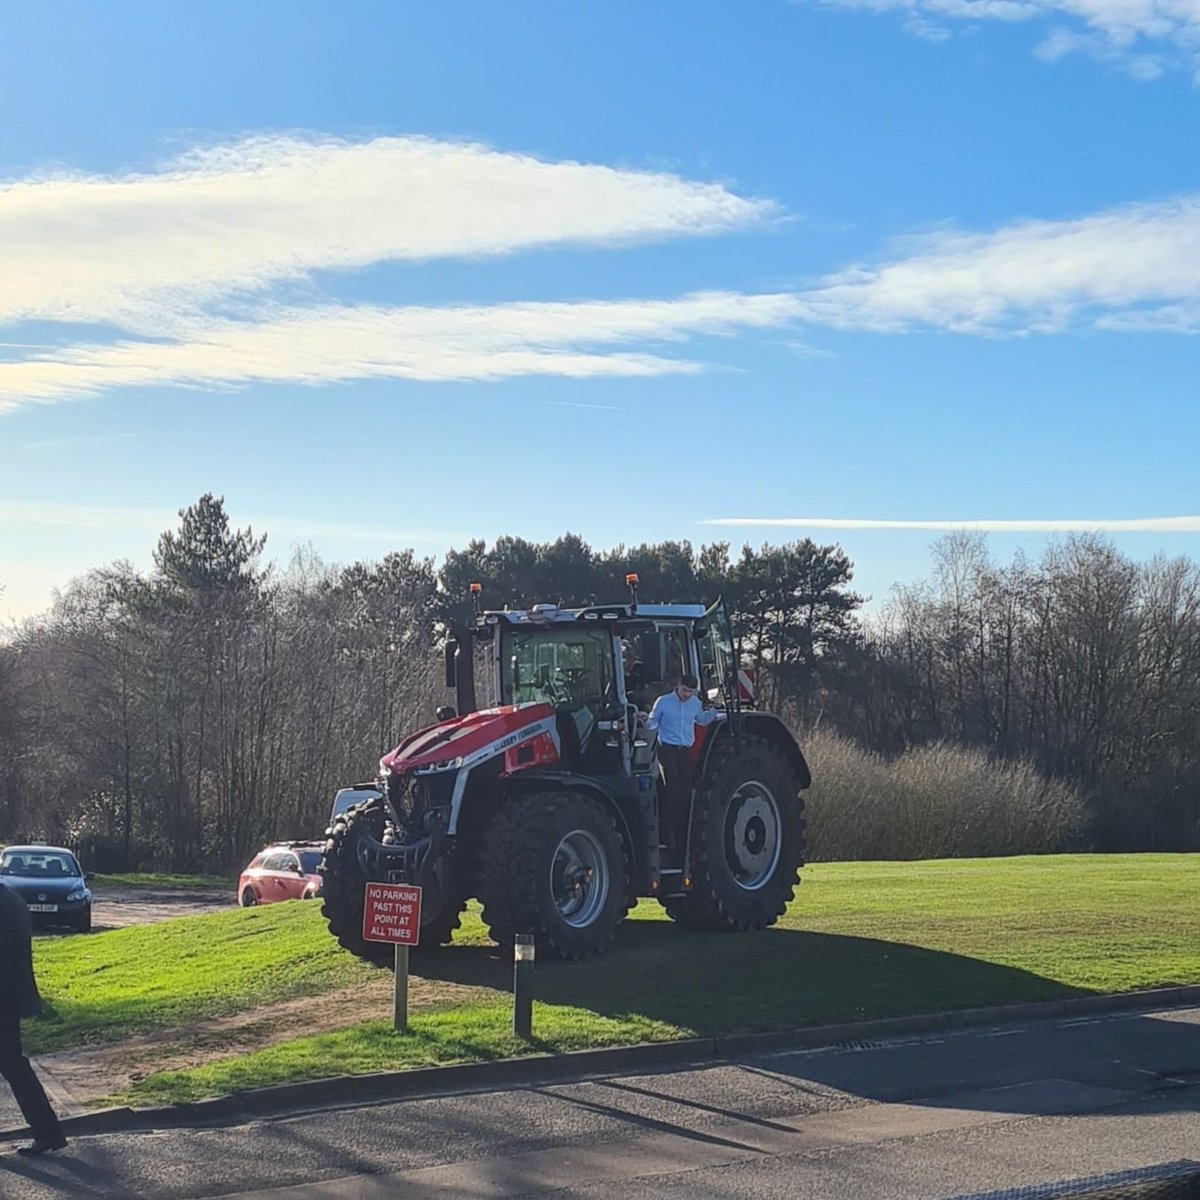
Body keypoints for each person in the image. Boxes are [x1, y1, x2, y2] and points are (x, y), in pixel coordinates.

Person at [0, 882, 67, 1156]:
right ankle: (48, 1132)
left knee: (14, 1065)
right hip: (9, 996)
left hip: (3, 995)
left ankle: (47, 1131)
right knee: (14, 1065)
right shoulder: (10, 898)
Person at [642, 674, 726, 847]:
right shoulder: (663, 702)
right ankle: (665, 832)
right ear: (678, 686)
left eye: (690, 692)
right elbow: (652, 723)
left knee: (686, 791)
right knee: (672, 787)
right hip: (667, 750)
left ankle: (679, 831)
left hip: (684, 751)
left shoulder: (694, 703)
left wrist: (714, 711)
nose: (687, 695)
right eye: (685, 690)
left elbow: (701, 720)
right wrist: (644, 719)